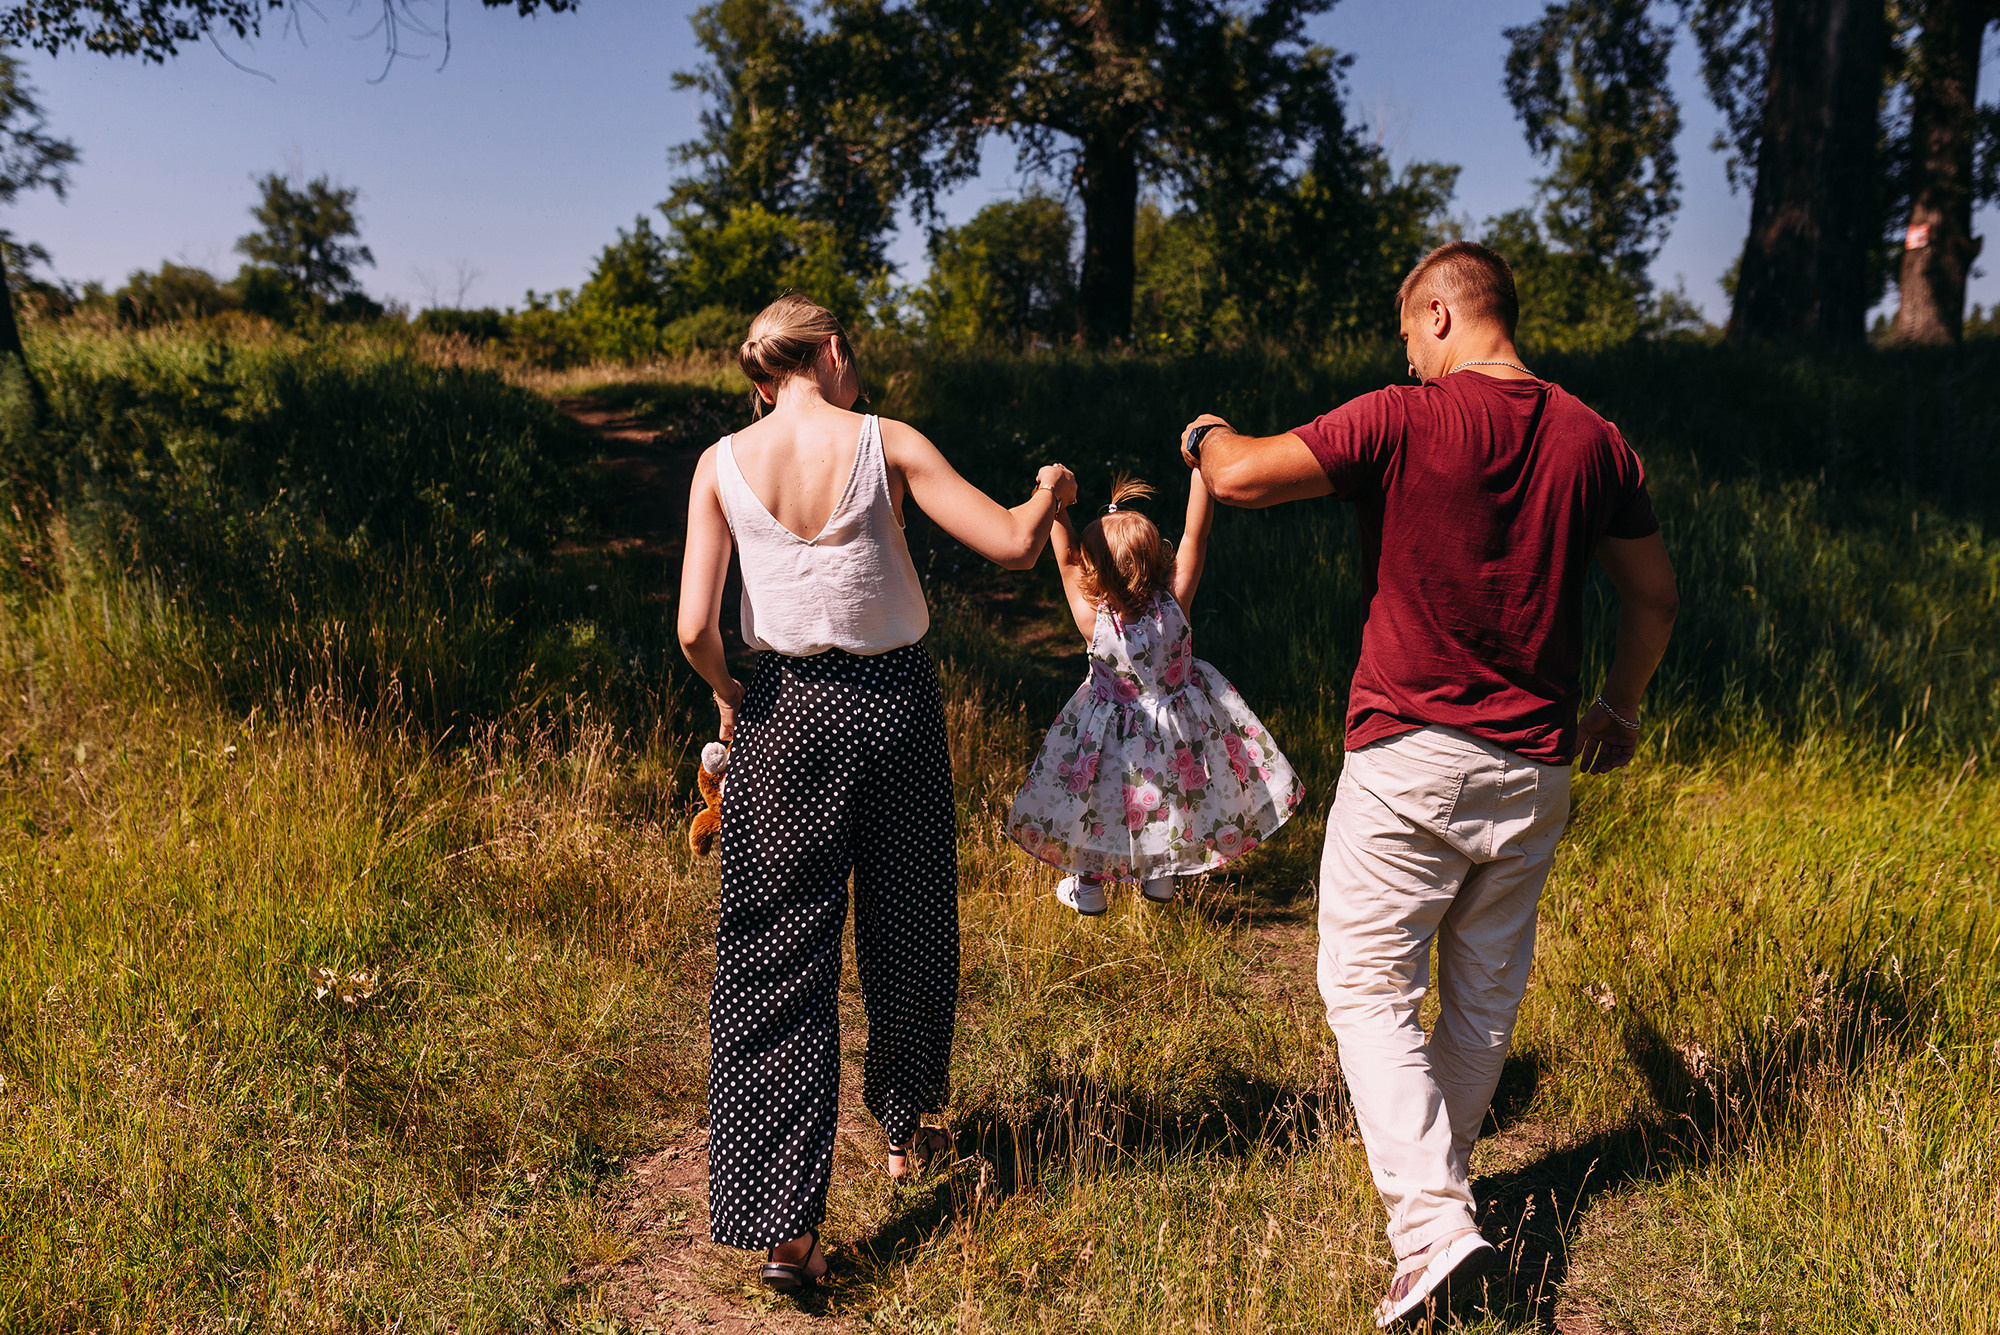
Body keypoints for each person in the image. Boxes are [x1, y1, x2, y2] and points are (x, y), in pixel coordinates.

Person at [1176, 242, 1679, 1327]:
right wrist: (1619, 707)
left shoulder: (1406, 418)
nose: (1404, 358)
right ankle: (1438, 1211)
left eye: (1407, 335)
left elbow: (1241, 476)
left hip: (1409, 750)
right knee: (1480, 1004)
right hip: (1536, 765)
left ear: (1441, 315)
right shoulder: (1598, 443)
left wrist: (1203, 433)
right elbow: (1653, 598)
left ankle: (1429, 1224)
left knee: (1361, 986)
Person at [677, 294, 1079, 1291]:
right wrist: (1052, 490)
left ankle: (785, 1233)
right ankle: (901, 1133)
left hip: (779, 713)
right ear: (833, 351)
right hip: (891, 703)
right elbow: (1012, 545)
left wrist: (733, 694)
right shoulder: (885, 440)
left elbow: (693, 626)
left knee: (774, 960)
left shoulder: (720, 463)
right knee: (907, 925)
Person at [1006, 473, 1303, 913]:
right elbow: (1194, 533)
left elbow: (1066, 560)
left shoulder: (1095, 621)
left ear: (1095, 569)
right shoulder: (1175, 601)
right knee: (1167, 793)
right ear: (1154, 557)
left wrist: (1054, 500)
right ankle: (1161, 877)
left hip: (1108, 735)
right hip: (1178, 726)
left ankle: (1089, 887)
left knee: (1100, 799)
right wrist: (1201, 468)